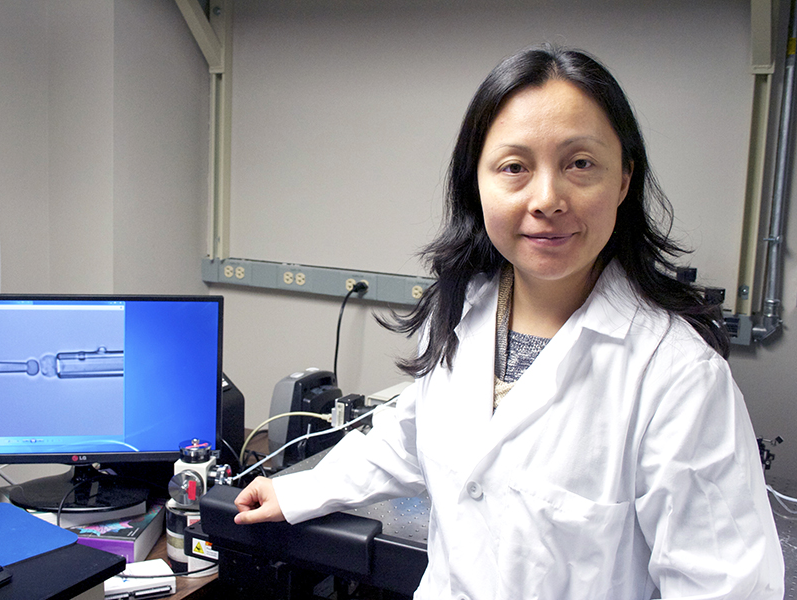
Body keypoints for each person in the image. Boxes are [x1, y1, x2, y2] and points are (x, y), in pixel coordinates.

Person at [234, 45, 785, 599]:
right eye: (515, 167)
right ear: (477, 182)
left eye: (580, 163)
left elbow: (726, 587)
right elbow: (409, 436)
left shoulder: (677, 373)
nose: (547, 199)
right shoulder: (462, 309)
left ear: (623, 180)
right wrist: (304, 490)